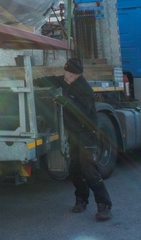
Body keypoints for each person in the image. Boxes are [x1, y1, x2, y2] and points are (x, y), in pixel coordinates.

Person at [35, 58, 113, 221]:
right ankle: (81, 199)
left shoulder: (85, 89)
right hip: (74, 134)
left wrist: (64, 101)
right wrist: (31, 79)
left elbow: (81, 112)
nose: (64, 75)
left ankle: (104, 205)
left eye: (67, 73)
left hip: (87, 134)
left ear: (74, 74)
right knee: (75, 169)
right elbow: (51, 79)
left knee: (88, 169)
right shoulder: (66, 81)